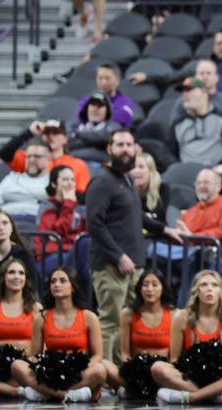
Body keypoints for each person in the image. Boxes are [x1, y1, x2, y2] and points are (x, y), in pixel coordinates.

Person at [150, 270, 222, 404]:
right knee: (158, 367)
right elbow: (174, 360)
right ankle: (216, 397)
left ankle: (192, 398)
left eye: (214, 285)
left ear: (221, 291)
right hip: (192, 379)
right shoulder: (181, 317)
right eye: (204, 285)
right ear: (196, 291)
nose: (209, 289)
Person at [86, 129, 146, 364]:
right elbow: (94, 224)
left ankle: (122, 374)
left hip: (132, 264)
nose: (125, 149)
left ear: (135, 149)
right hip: (111, 265)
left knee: (127, 322)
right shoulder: (102, 180)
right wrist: (119, 256)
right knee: (111, 322)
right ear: (110, 149)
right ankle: (105, 375)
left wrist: (165, 229)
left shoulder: (126, 179)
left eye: (129, 144)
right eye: (120, 144)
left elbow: (137, 216)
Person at [11, 267, 107, 402]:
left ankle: (45, 393)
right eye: (53, 281)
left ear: (73, 287)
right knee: (17, 366)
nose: (56, 284)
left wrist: (83, 371)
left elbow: (98, 355)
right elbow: (34, 354)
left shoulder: (89, 316)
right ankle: (66, 396)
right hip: (51, 373)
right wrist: (40, 369)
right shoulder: (41, 318)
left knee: (100, 370)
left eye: (62, 281)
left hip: (78, 373)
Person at [101, 269, 174, 399]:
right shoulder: (128, 313)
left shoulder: (174, 314)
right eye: (145, 285)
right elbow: (125, 353)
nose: (149, 289)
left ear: (163, 289)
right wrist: (131, 371)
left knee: (162, 371)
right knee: (105, 365)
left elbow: (175, 355)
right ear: (139, 289)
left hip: (162, 373)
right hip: (136, 371)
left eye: (154, 284)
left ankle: (129, 392)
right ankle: (128, 388)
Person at [0, 259, 41, 397]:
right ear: (3, 277)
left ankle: (2, 388)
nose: (16, 276)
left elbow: (43, 345)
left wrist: (32, 361)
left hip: (25, 365)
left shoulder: (36, 308)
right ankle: (17, 392)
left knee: (21, 370)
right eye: (11, 272)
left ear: (26, 279)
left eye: (21, 273)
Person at [0, 119, 90, 196]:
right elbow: (4, 153)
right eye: (47, 133)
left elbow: (82, 194)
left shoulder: (77, 164)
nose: (50, 136)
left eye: (55, 133)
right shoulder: (32, 158)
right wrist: (29, 133)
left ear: (65, 138)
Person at [176, 169, 222, 274]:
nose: (201, 186)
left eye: (206, 182)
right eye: (199, 183)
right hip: (190, 258)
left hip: (221, 260)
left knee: (198, 258)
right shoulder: (188, 213)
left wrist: (192, 236)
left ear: (218, 187)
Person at [130, 59, 222, 120]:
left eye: (209, 73)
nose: (205, 77)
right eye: (201, 74)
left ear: (216, 78)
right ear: (195, 77)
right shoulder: (183, 102)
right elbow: (174, 128)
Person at [35, 165, 87, 279]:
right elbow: (57, 233)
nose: (70, 183)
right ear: (54, 184)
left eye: (72, 180)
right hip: (50, 257)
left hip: (71, 252)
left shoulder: (78, 207)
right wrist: (68, 204)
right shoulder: (46, 207)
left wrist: (69, 238)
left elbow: (84, 234)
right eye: (65, 179)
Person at [170, 77, 222, 165]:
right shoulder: (177, 124)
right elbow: (170, 152)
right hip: (188, 172)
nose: (184, 94)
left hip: (217, 171)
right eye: (183, 91)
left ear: (203, 91)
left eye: (189, 89)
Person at [0, 143, 51, 223]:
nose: (32, 160)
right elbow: (3, 194)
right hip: (6, 222)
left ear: (48, 159)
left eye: (37, 156)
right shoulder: (12, 177)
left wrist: (17, 194)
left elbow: (50, 199)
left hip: (38, 224)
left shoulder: (52, 180)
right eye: (28, 156)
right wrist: (38, 198)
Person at [77, 63, 135, 129]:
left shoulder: (126, 102)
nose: (103, 82)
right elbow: (80, 116)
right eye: (100, 78)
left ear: (118, 80)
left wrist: (95, 115)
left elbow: (123, 119)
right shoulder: (87, 100)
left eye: (107, 78)